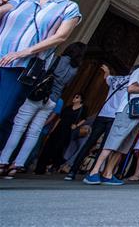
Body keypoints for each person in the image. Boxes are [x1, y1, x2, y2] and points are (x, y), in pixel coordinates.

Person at [0, 0, 83, 148]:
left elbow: (61, 37)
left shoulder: (69, 7)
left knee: (2, 114)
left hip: (20, 66)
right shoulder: (23, 1)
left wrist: (24, 52)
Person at [0, 41, 84, 177]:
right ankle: (17, 164)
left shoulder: (57, 59)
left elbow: (42, 73)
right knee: (34, 132)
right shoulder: (75, 69)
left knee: (19, 127)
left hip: (38, 95)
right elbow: (66, 85)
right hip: (52, 100)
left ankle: (3, 161)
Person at [84, 48, 139, 185]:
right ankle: (94, 171)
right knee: (113, 141)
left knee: (124, 145)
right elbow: (131, 88)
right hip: (128, 111)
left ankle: (108, 173)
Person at [65, 65, 130, 180]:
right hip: (115, 116)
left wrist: (107, 71)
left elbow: (106, 77)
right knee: (105, 146)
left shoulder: (114, 79)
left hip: (103, 114)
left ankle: (72, 171)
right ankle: (93, 172)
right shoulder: (133, 82)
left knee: (89, 143)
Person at [36, 92, 85, 173]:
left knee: (59, 148)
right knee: (49, 146)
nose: (74, 98)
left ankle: (53, 165)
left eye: (77, 97)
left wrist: (76, 125)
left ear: (81, 100)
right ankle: (41, 167)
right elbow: (59, 119)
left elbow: (84, 119)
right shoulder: (68, 108)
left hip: (68, 131)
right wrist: (53, 129)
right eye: (74, 97)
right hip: (59, 128)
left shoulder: (82, 109)